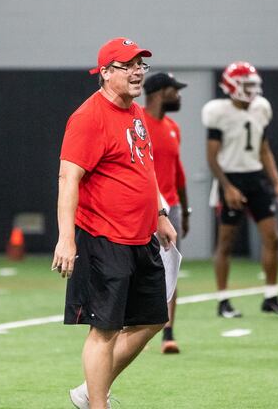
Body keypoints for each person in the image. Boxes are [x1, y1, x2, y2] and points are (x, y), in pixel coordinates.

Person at [53, 37, 177, 409]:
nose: (138, 71)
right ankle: (96, 403)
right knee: (104, 330)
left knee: (154, 319)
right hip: (103, 237)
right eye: (129, 65)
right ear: (106, 73)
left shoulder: (136, 114)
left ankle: (87, 391)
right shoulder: (88, 117)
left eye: (142, 65)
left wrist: (159, 215)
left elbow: (144, 169)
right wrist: (66, 238)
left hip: (141, 238)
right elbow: (67, 179)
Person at [202, 61, 278, 318]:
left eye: (253, 84)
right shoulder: (219, 112)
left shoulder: (261, 109)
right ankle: (222, 300)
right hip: (230, 177)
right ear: (232, 86)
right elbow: (211, 156)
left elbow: (264, 149)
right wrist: (227, 186)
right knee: (226, 242)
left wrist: (277, 182)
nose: (252, 90)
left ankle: (271, 296)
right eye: (246, 84)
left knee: (272, 237)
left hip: (255, 178)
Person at [142, 72, 190, 354]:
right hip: (144, 208)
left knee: (170, 270)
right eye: (175, 90)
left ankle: (168, 332)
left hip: (171, 208)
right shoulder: (139, 125)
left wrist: (186, 210)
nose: (179, 95)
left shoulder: (173, 127)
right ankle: (133, 328)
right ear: (159, 93)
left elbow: (178, 171)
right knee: (138, 270)